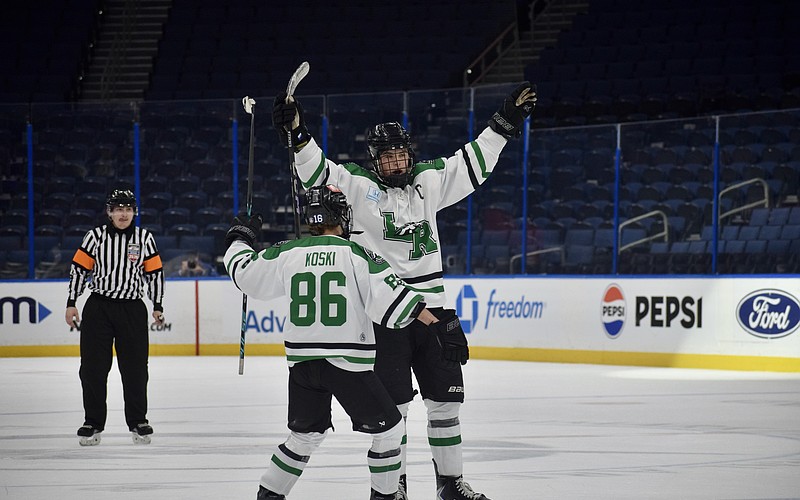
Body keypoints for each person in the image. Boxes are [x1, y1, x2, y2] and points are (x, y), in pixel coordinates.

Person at [272, 82, 536, 500]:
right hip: (387, 316)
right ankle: (394, 487)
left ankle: (450, 485)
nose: (397, 160)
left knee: (446, 405)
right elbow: (317, 171)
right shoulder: (357, 186)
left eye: (401, 152)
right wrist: (299, 135)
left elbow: (473, 163)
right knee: (394, 412)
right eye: (388, 154)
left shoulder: (429, 180)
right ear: (374, 159)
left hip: (433, 311)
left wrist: (504, 122)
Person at [224, 185, 467, 500]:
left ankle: (269, 495)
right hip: (345, 364)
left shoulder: (287, 252)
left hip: (302, 367)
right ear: (341, 215)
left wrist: (239, 236)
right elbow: (397, 301)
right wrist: (440, 325)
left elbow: (244, 272)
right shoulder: (357, 254)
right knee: (391, 431)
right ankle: (385, 497)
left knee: (303, 437)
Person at [65, 189, 165, 446]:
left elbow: (155, 273)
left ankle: (138, 421)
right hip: (99, 307)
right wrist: (71, 302)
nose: (124, 214)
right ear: (109, 212)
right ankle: (93, 422)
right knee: (92, 368)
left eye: (128, 209)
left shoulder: (145, 238)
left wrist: (157, 304)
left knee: (135, 369)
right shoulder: (94, 237)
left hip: (132, 308)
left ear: (135, 212)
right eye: (118, 209)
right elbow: (79, 269)